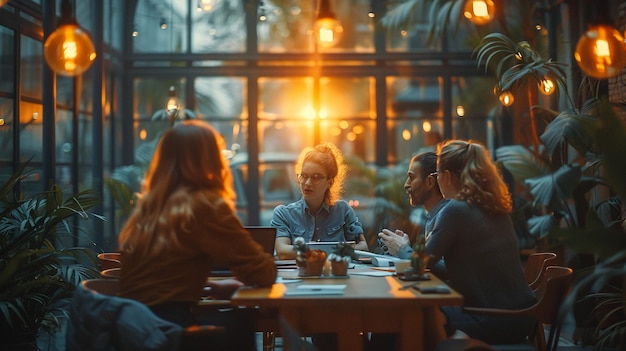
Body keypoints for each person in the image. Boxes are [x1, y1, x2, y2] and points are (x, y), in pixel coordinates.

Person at [117, 120, 276, 351]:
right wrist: (240, 281)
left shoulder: (149, 207)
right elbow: (264, 272)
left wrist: (207, 284)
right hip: (169, 332)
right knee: (240, 322)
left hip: (134, 331)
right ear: (210, 160)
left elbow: (158, 276)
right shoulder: (203, 205)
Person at [427, 139, 536, 345]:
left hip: (493, 319)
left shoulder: (455, 210)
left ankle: (460, 344)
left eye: (436, 174)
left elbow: (422, 262)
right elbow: (466, 270)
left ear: (447, 176)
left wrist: (403, 248)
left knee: (422, 314)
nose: (436, 179)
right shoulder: (495, 208)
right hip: (524, 318)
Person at [271, 143, 368, 260]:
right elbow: (282, 251)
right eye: (304, 175)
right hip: (301, 276)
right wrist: (332, 252)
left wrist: (308, 252)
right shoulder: (284, 214)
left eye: (316, 177)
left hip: (336, 277)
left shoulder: (343, 210)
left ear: (330, 182)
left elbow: (363, 247)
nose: (307, 183)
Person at [377, 151, 449, 261]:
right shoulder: (434, 216)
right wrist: (404, 250)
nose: (406, 185)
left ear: (430, 182)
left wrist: (402, 249)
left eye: (411, 177)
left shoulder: (445, 216)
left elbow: (442, 268)